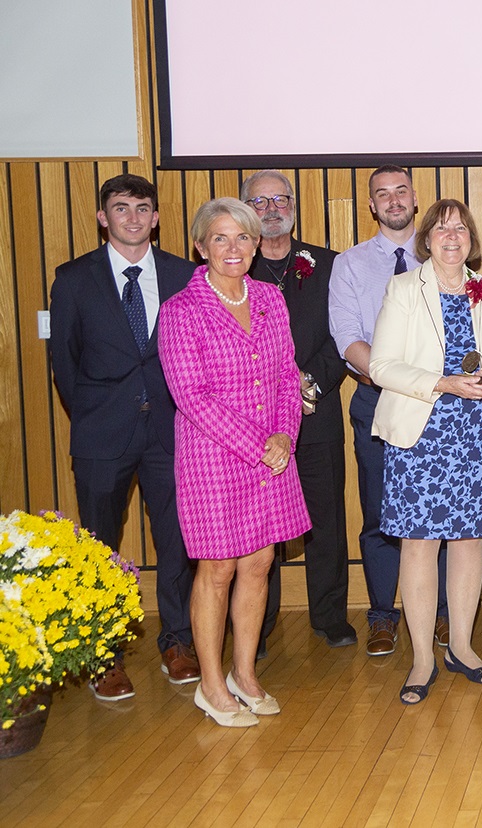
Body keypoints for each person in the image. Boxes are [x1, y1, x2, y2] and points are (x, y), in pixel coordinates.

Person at [158, 198, 310, 727]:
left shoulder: (270, 297)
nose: (233, 248)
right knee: (218, 569)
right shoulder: (181, 310)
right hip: (213, 459)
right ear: (200, 246)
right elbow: (191, 397)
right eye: (219, 238)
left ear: (254, 244)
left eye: (242, 237)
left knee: (259, 565)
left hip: (273, 454)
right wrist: (259, 443)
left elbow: (289, 376)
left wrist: (285, 437)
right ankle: (211, 683)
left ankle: (246, 675)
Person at [49, 173, 200, 699]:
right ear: (102, 217)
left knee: (177, 542)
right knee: (98, 547)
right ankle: (103, 655)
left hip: (171, 431)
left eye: (142, 208)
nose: (132, 217)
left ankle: (177, 642)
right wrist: (95, 412)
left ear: (156, 217)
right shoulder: (72, 279)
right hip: (101, 434)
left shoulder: (186, 274)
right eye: (121, 208)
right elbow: (64, 365)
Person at [369, 198, 482, 704]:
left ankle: (460, 646)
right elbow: (382, 367)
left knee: (468, 542)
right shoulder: (403, 289)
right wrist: (444, 383)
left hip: (475, 431)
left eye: (460, 229)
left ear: (470, 238)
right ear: (427, 239)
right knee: (418, 545)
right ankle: (420, 656)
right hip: (422, 432)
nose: (451, 237)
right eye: (441, 229)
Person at [329, 165, 450, 656]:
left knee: (440, 513)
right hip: (378, 399)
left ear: (415, 199)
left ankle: (443, 614)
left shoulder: (445, 256)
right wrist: (394, 380)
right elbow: (347, 337)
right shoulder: (351, 265)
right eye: (383, 194)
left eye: (401, 190)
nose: (394, 199)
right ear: (373, 206)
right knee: (381, 512)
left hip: (443, 403)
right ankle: (383, 614)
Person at [242, 170, 355, 651]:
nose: (271, 208)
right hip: (253, 422)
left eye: (279, 199)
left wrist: (308, 383)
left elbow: (343, 334)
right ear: (246, 208)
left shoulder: (327, 264)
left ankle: (330, 616)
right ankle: (258, 625)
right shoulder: (232, 265)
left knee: (326, 517)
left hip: (316, 409)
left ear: (294, 205)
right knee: (257, 525)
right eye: (259, 201)